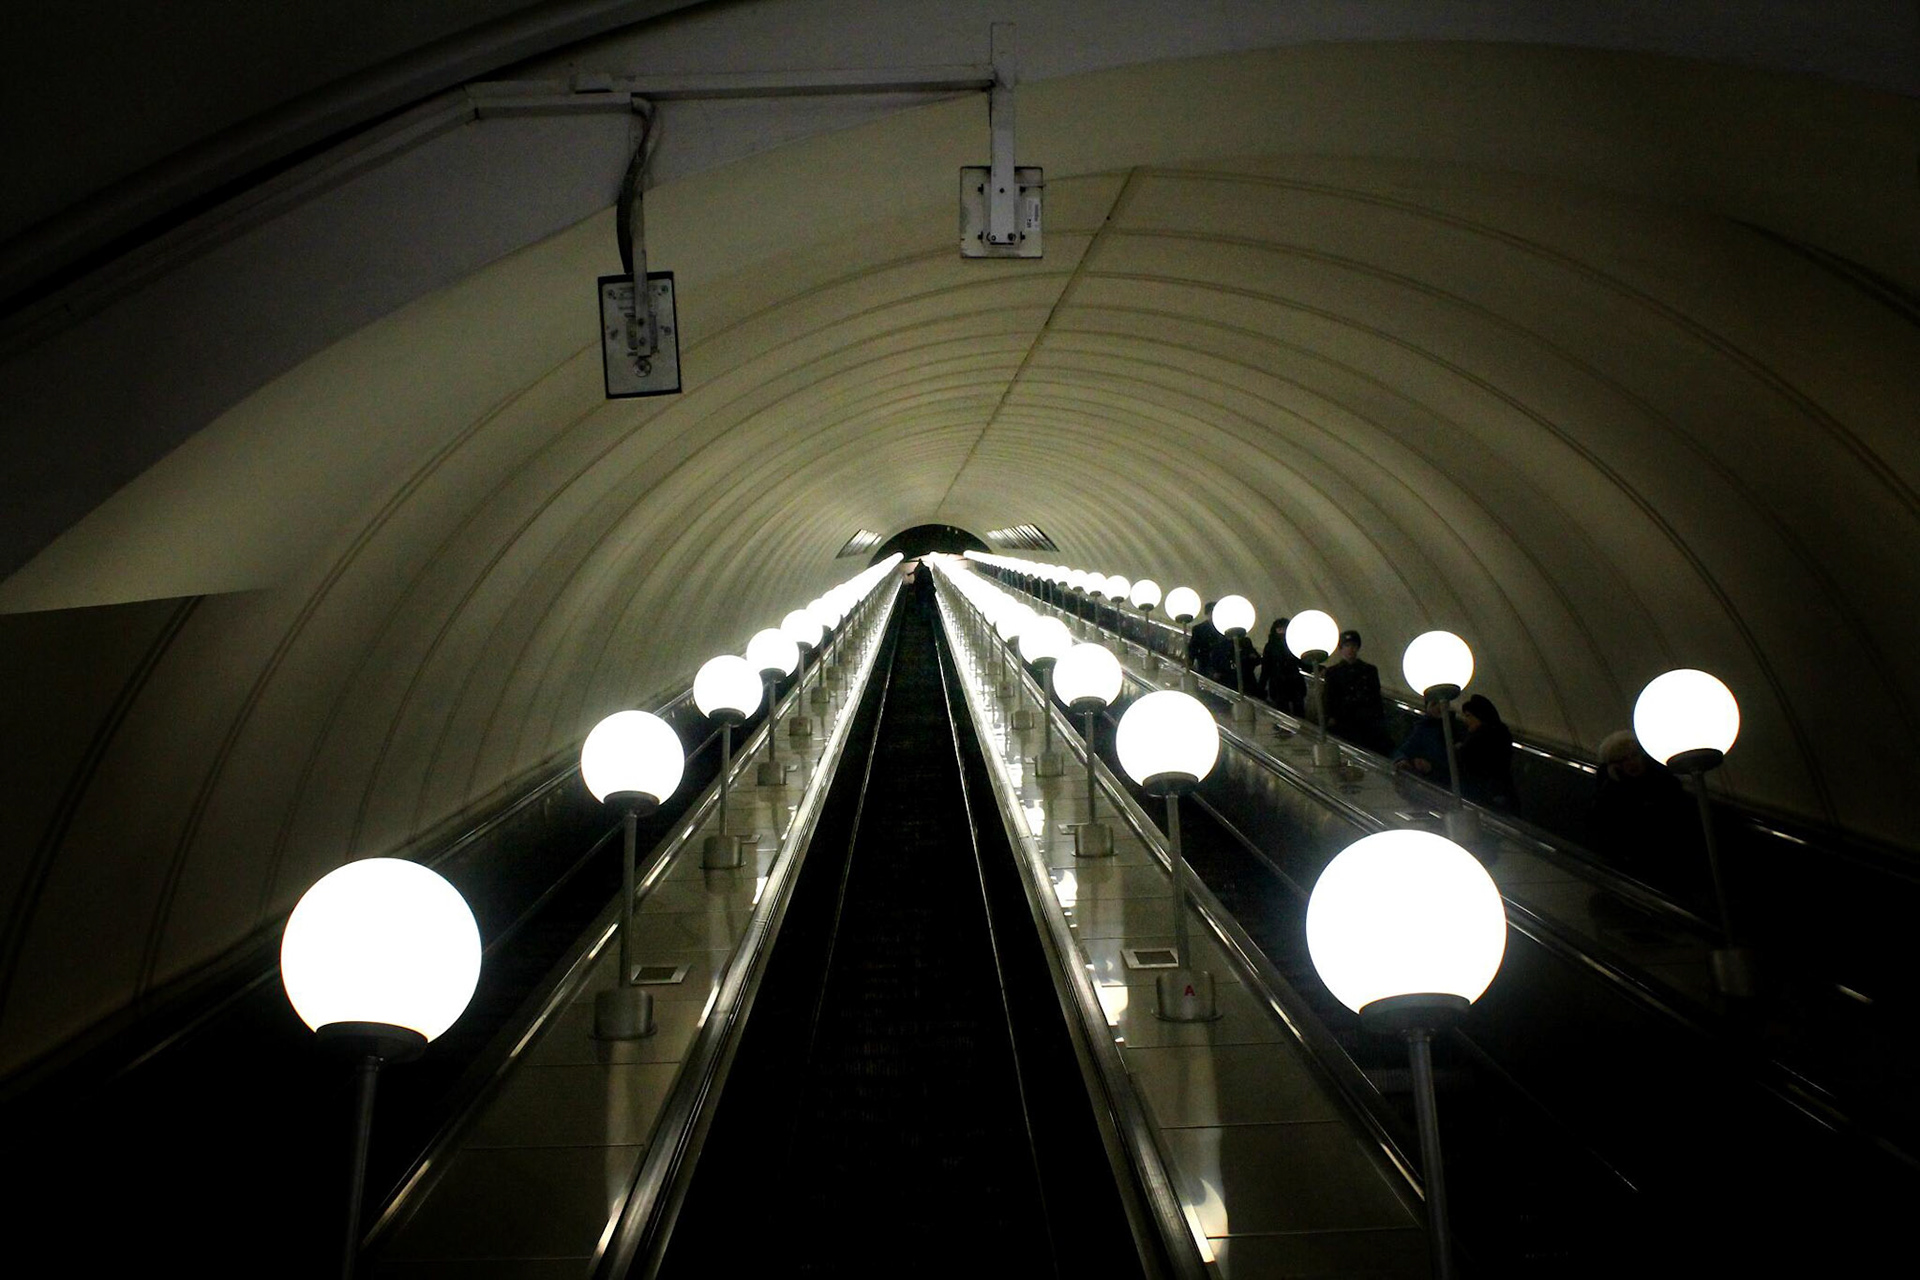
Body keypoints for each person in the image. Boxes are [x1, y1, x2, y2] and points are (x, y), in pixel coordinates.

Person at [1588, 729, 1700, 887]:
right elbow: (1605, 832)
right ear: (1614, 766)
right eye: (1622, 760)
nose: (1631, 763)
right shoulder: (1608, 793)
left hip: (1674, 857)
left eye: (1634, 755)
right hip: (1637, 865)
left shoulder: (1663, 780)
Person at [1322, 629, 1392, 753]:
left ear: (1357, 648)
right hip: (1343, 722)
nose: (1350, 649)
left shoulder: (1369, 670)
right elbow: (1329, 697)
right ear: (1341, 649)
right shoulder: (1333, 672)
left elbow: (1375, 696)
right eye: (1346, 646)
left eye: (1353, 646)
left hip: (1365, 722)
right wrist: (1330, 717)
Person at [1457, 693, 1515, 807]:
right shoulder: (1500, 734)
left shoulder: (1479, 740)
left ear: (1480, 716)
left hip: (1486, 793)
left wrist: (1460, 750)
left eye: (1469, 716)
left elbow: (1474, 766)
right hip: (1500, 791)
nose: (1466, 720)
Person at [1391, 692, 1455, 786]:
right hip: (1430, 782)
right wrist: (1402, 760)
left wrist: (1432, 768)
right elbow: (1402, 750)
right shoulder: (1422, 728)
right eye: (1434, 704)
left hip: (1442, 784)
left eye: (1442, 704)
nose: (1439, 708)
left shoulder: (1453, 730)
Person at [1262, 617, 1306, 715]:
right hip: (1280, 684)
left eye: (1284, 629)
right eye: (1280, 629)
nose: (1282, 632)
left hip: (1292, 683)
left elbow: (1302, 661)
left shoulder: (1293, 644)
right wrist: (1261, 686)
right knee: (1283, 710)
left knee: (1296, 709)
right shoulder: (1271, 646)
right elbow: (1266, 667)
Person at [1187, 601, 1227, 681]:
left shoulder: (1225, 628)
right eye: (1211, 612)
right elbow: (1193, 646)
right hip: (1205, 663)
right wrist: (1189, 661)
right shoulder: (1199, 629)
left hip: (1223, 667)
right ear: (1207, 614)